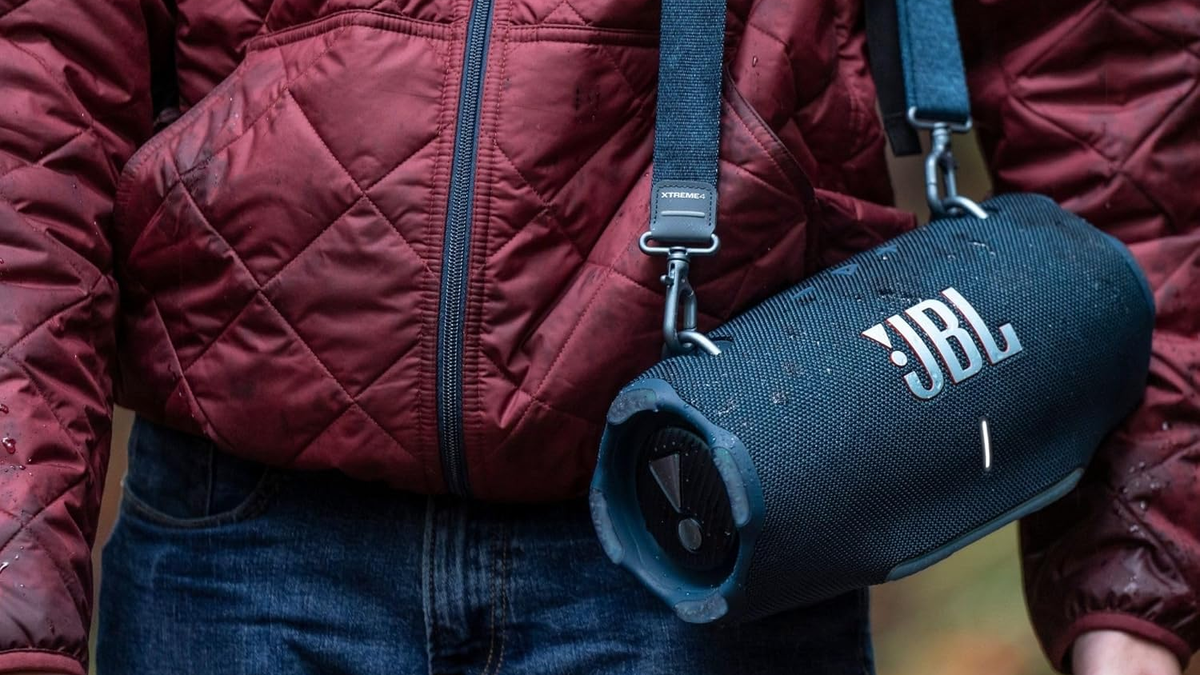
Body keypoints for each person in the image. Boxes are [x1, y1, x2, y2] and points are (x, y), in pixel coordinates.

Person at [0, 0, 1195, 673]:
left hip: (725, 515)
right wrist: (19, 598)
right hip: (243, 547)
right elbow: (35, 109)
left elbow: (1113, 90)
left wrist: (1131, 581)